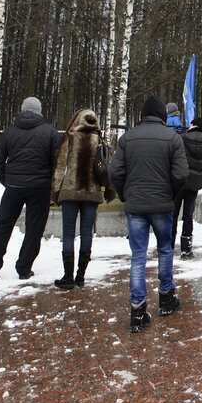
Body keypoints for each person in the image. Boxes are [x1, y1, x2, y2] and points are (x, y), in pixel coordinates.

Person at [109, 95, 188, 332]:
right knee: (165, 250)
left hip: (136, 206)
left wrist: (125, 195)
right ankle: (166, 298)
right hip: (162, 205)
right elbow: (181, 174)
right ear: (163, 116)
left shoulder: (127, 138)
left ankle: (138, 310)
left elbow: (115, 171)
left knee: (138, 256)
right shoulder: (173, 138)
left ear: (143, 115)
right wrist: (171, 195)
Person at [0, 97, 60, 281]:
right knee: (34, 229)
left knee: (3, 225)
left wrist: (8, 182)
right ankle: (24, 268)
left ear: (23, 110)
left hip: (14, 188)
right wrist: (50, 184)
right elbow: (58, 164)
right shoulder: (50, 132)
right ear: (39, 111)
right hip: (40, 188)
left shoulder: (10, 132)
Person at [50, 109, 116, 290]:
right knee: (87, 233)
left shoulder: (70, 138)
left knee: (69, 232)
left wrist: (55, 191)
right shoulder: (99, 140)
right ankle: (81, 275)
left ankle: (68, 276)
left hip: (70, 191)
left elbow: (59, 167)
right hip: (91, 192)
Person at [174, 117, 202, 259]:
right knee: (188, 215)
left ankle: (168, 245)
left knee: (173, 214)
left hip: (179, 180)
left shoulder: (182, 138)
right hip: (195, 183)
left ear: (195, 125)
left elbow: (176, 155)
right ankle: (186, 249)